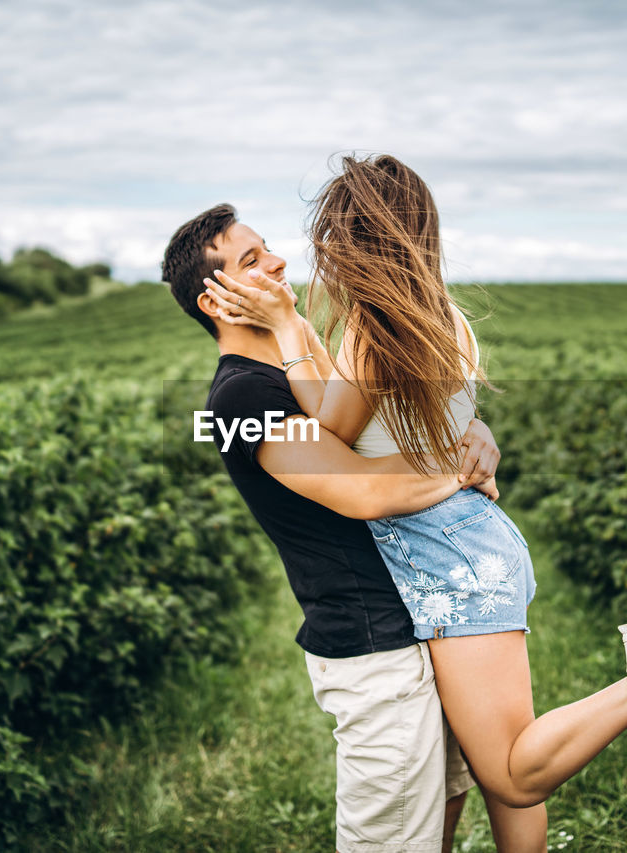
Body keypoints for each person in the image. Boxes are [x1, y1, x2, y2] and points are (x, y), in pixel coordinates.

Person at [202, 154, 627, 852]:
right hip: (469, 542)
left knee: (510, 772)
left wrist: (291, 325)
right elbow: (382, 419)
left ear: (349, 238)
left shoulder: (370, 326)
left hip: (447, 555)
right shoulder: (431, 314)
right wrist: (462, 445)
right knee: (495, 766)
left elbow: (334, 426)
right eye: (253, 258)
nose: (301, 258)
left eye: (321, 236)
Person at [162, 203, 506, 853]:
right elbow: (365, 489)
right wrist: (462, 472)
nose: (278, 261)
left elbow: (390, 435)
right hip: (373, 646)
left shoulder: (293, 369)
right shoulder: (242, 396)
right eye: (251, 260)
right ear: (216, 298)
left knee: (442, 810)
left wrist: (472, 432)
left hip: (423, 616)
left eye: (266, 247)